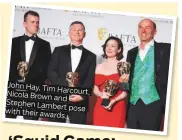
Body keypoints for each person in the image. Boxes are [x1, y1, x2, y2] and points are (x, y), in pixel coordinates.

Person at [48, 21, 96, 124]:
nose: (77, 32)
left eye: (80, 30)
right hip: (58, 97)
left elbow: (90, 79)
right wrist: (65, 87)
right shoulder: (58, 50)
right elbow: (51, 72)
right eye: (74, 30)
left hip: (79, 100)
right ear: (69, 33)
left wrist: (82, 96)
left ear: (85, 34)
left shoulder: (91, 56)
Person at [126, 18, 171, 130]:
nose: (143, 30)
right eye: (141, 27)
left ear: (155, 32)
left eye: (148, 27)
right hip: (133, 104)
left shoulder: (166, 49)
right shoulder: (131, 52)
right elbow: (128, 79)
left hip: (154, 103)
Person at [7, 10, 51, 120]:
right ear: (24, 24)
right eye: (32, 22)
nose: (36, 25)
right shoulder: (13, 42)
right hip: (13, 92)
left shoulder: (45, 45)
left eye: (37, 22)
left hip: (34, 94)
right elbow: (8, 66)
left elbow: (46, 69)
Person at [93, 36, 128, 127]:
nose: (109, 48)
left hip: (117, 106)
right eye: (107, 45)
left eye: (113, 46)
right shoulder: (99, 66)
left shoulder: (123, 66)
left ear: (119, 49)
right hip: (101, 106)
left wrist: (113, 101)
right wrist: (102, 95)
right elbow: (95, 89)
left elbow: (125, 92)